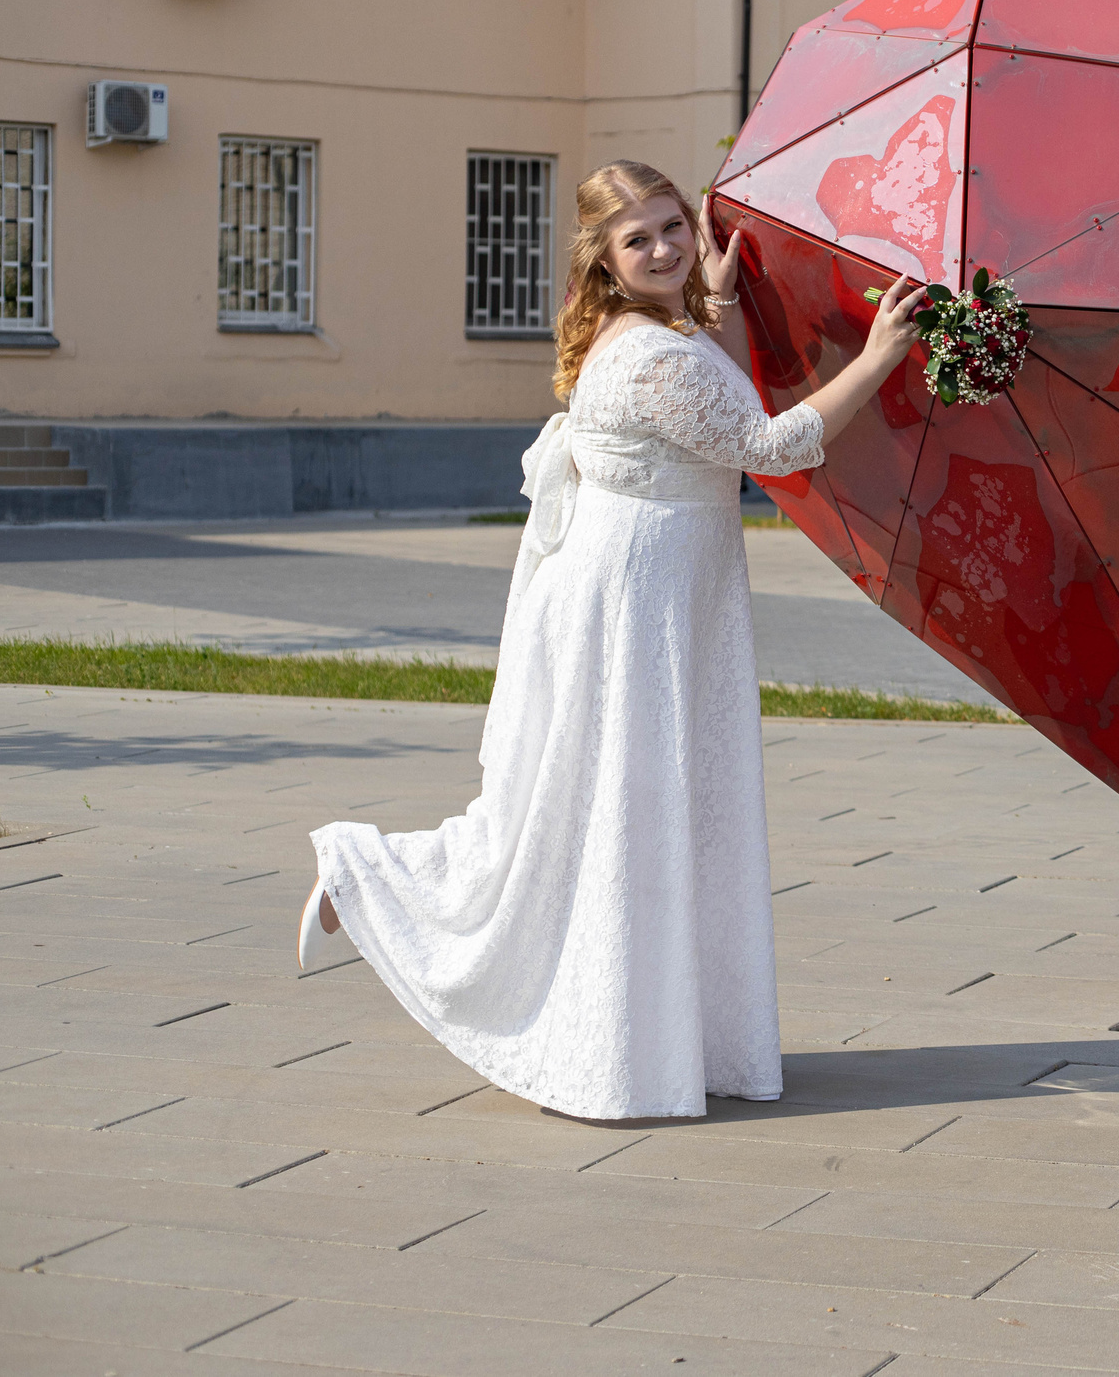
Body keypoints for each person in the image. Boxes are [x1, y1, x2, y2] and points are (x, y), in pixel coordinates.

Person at [295, 161, 922, 1120]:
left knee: (628, 817)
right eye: (641, 240)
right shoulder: (649, 357)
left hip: (661, 590)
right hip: (641, 607)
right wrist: (878, 355)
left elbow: (717, 388)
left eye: (674, 227)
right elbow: (769, 445)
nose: (666, 249)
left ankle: (663, 1036)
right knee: (605, 822)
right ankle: (366, 876)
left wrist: (713, 302)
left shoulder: (656, 331)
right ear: (604, 257)